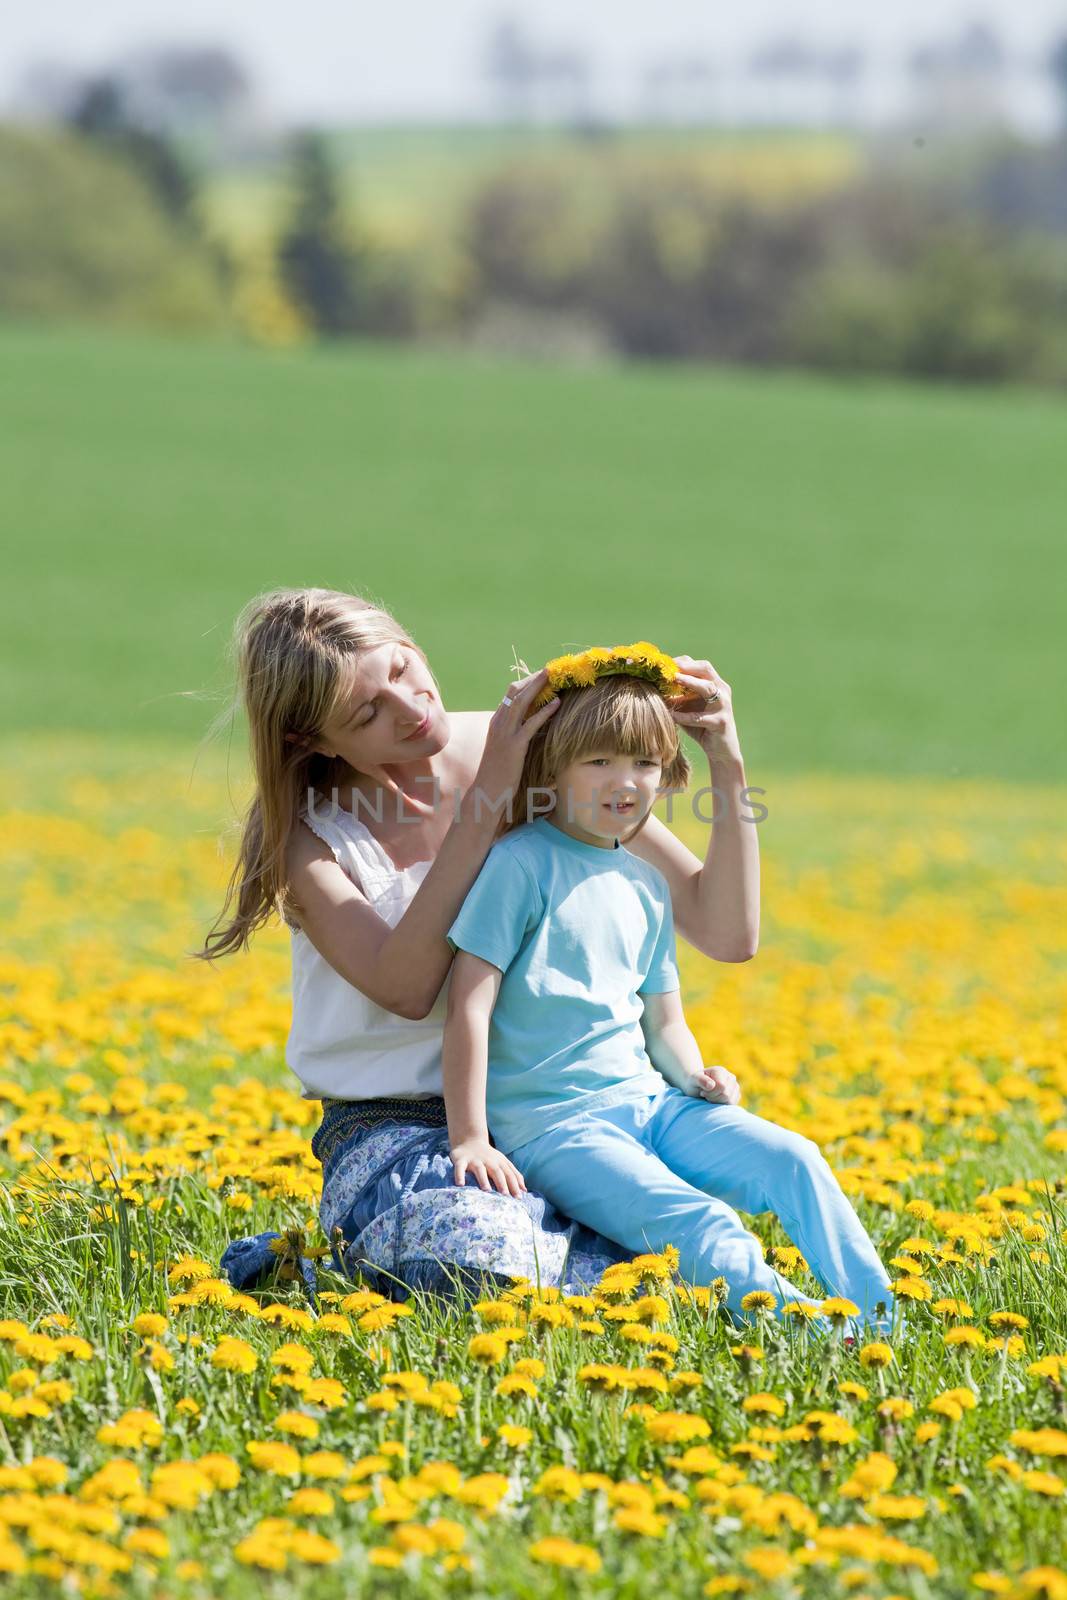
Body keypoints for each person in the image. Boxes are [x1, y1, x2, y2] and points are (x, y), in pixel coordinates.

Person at [199, 590, 751, 1303]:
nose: (410, 708)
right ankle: (313, 1271)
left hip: (564, 1103)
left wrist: (727, 763)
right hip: (401, 1125)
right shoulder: (309, 841)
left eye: (402, 668)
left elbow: (723, 929)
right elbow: (406, 986)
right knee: (483, 1264)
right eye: (367, 713)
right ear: (313, 742)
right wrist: (489, 798)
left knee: (688, 1261)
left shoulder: (533, 750)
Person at [442, 642, 896, 1335]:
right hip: (554, 1128)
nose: (623, 781)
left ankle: (881, 1321)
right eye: (598, 761)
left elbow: (663, 1022)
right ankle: (814, 1334)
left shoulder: (646, 884)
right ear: (552, 768)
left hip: (650, 1104)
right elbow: (468, 1005)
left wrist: (695, 1073)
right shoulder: (517, 864)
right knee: (698, 1220)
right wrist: (470, 1135)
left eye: (644, 764)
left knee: (794, 1160)